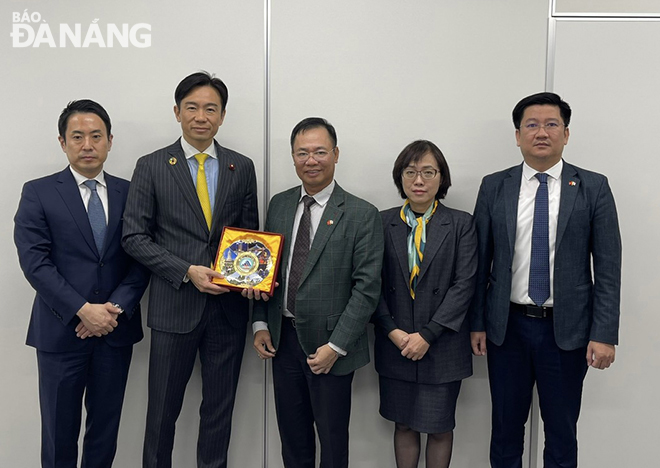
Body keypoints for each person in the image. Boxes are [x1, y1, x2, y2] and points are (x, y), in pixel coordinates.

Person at [469, 92, 622, 468]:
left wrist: (604, 333)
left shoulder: (593, 186)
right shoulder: (494, 186)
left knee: (561, 431)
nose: (541, 132)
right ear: (517, 135)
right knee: (505, 429)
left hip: (567, 333)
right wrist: (477, 323)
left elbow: (608, 268)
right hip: (507, 329)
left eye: (551, 124)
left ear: (566, 134)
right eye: (531, 125)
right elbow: (478, 260)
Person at [121, 72, 259, 468]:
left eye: (211, 109)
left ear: (223, 115)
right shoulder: (150, 165)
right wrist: (186, 270)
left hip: (227, 312)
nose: (202, 116)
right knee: (162, 415)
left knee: (219, 414)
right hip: (173, 307)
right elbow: (133, 237)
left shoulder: (241, 166)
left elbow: (249, 236)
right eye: (193, 107)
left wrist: (251, 278)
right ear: (178, 112)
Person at [14, 99, 150, 468]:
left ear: (109, 140)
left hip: (114, 331)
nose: (87, 144)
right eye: (77, 136)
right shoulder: (38, 192)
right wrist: (83, 310)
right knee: (59, 433)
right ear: (62, 142)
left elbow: (141, 259)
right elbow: (35, 263)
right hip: (61, 334)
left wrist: (112, 310)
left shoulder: (130, 192)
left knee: (105, 432)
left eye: (96, 136)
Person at [251, 117, 383, 468]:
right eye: (302, 153)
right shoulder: (279, 204)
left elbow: (367, 290)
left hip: (331, 346)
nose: (311, 160)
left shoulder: (361, 214)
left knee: (333, 443)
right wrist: (260, 323)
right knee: (292, 441)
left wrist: (336, 347)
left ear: (336, 154)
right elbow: (265, 272)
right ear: (293, 158)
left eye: (320, 151)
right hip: (283, 342)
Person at [372, 140, 477, 468]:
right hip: (396, 342)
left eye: (428, 172)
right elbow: (368, 283)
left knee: (439, 427)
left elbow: (465, 285)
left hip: (442, 344)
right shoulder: (381, 221)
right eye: (411, 172)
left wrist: (428, 334)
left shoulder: (461, 224)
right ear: (400, 177)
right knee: (402, 423)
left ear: (441, 178)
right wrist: (392, 331)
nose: (419, 180)